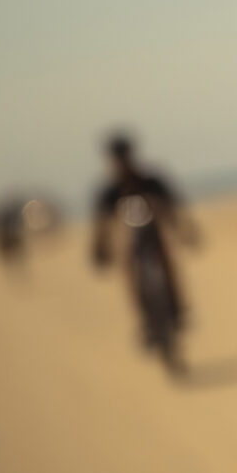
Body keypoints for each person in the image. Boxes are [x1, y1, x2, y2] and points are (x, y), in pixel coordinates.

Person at [91, 132, 200, 373]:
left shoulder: (151, 180)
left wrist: (186, 231)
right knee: (129, 271)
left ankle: (178, 308)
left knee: (168, 263)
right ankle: (145, 322)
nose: (122, 161)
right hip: (131, 247)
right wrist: (99, 249)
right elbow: (101, 226)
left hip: (155, 239)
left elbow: (174, 208)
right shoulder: (110, 190)